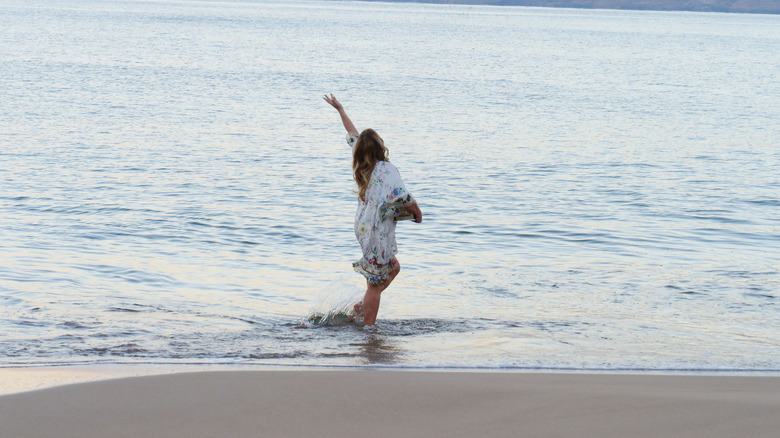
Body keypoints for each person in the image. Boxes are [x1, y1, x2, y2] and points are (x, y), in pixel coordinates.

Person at [323, 94, 422, 326]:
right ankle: (369, 332)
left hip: (363, 227)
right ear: (381, 147)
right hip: (376, 232)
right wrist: (417, 212)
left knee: (393, 267)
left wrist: (341, 110)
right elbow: (403, 196)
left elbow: (353, 135)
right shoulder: (387, 169)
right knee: (374, 286)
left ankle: (362, 306)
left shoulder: (364, 167)